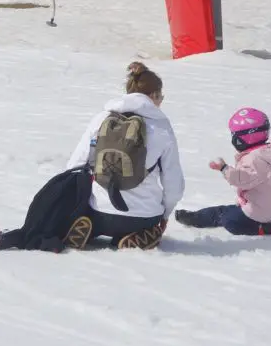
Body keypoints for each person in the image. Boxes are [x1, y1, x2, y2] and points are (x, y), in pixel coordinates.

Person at [64, 62, 186, 250]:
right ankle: (141, 234)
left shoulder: (102, 118)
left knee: (90, 214)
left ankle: (88, 228)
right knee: (149, 222)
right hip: (142, 217)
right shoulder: (161, 127)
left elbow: (74, 166)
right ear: (154, 96)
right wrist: (164, 215)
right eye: (161, 97)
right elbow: (174, 185)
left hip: (97, 212)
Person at [176, 108, 271, 236]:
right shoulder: (268, 153)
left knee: (230, 221)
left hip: (257, 214)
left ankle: (265, 229)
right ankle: (195, 217)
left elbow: (242, 180)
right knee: (223, 212)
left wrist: (224, 168)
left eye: (236, 136)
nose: (234, 139)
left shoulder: (256, 158)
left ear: (248, 136)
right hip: (265, 208)